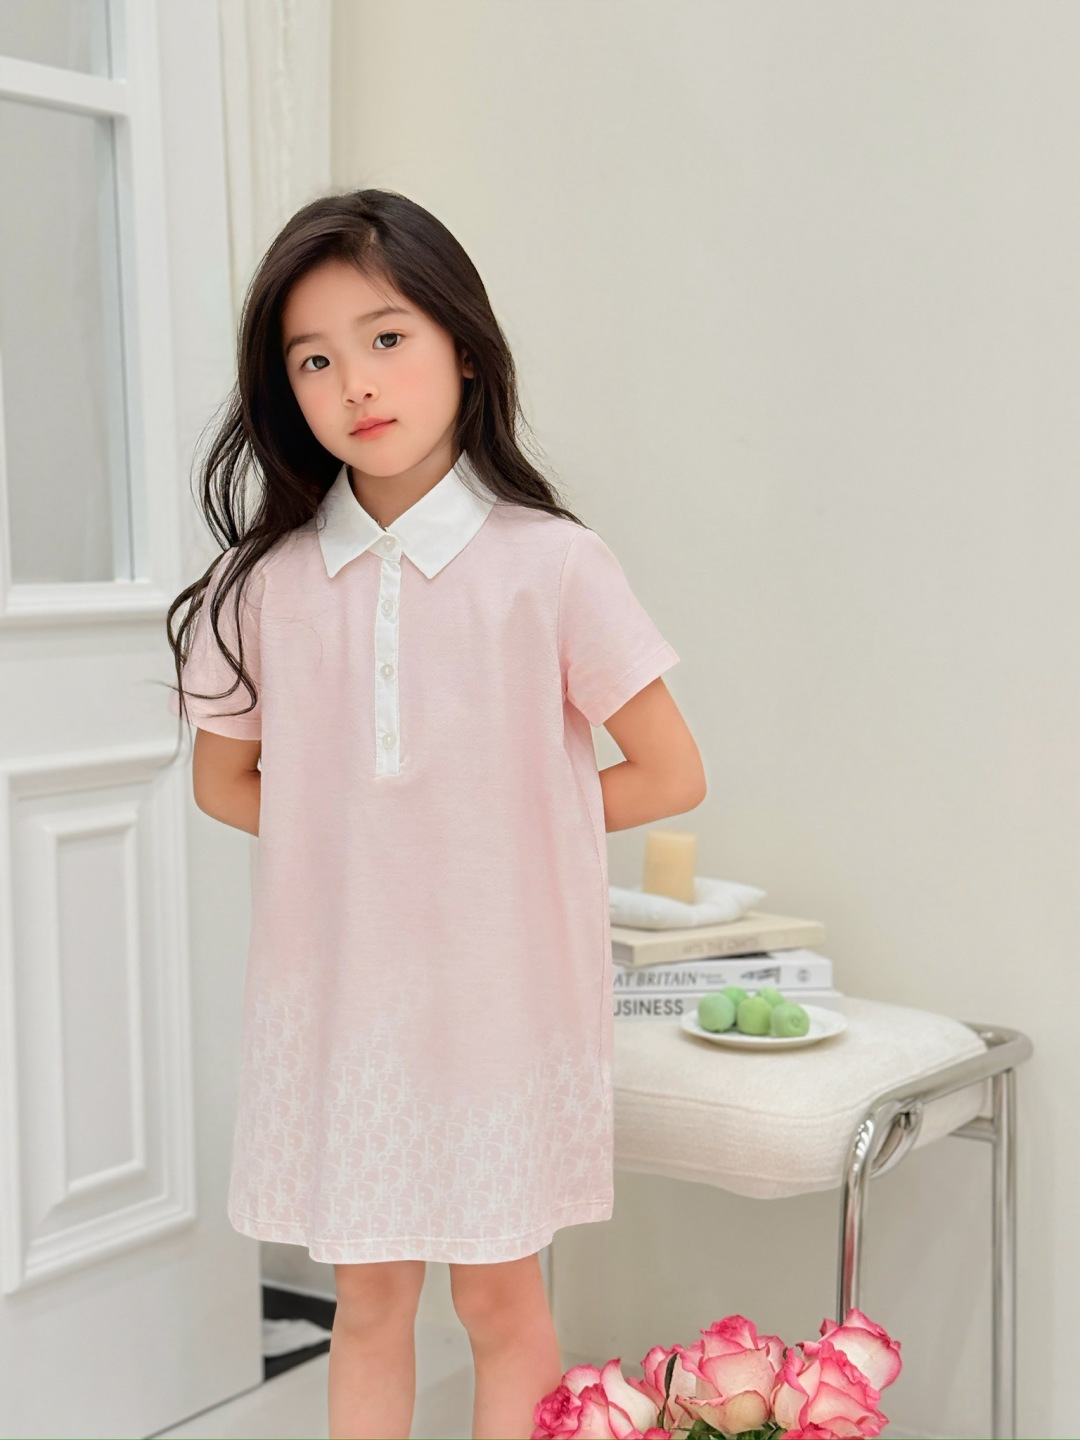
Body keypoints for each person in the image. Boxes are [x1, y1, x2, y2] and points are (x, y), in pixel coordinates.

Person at [165, 188, 707, 1440]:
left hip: (499, 1003)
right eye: (314, 359)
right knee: (368, 1302)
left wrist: (497, 827)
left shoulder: (551, 565)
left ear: (463, 346)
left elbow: (671, 773)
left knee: (502, 1300)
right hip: (344, 1005)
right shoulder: (263, 588)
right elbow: (225, 784)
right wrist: (368, 840)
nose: (355, 381)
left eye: (386, 337)